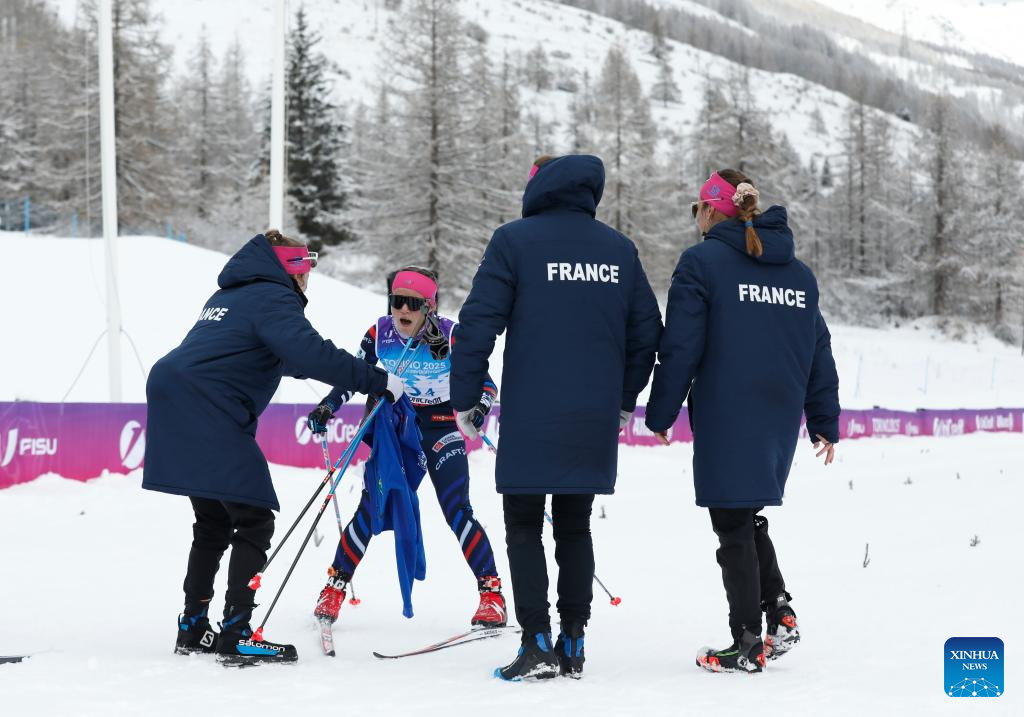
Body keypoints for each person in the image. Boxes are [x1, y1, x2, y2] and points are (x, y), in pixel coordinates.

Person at [143, 230, 405, 665]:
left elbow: (273, 355)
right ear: (293, 271)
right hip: (208, 403)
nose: (307, 280)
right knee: (254, 516)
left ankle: (193, 627)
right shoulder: (272, 296)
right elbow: (311, 352)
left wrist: (341, 373)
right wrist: (378, 380)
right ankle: (237, 632)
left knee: (213, 519)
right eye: (306, 271)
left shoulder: (232, 294)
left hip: (175, 391)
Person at [451, 155, 663, 681]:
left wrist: (465, 397)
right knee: (575, 524)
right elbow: (647, 334)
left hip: (532, 412)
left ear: (538, 188)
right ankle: (574, 640)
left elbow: (477, 324)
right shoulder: (619, 249)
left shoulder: (514, 241)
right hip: (592, 415)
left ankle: (537, 643)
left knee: (524, 524)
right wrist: (623, 399)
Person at [644, 170, 840, 674]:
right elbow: (818, 347)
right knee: (745, 514)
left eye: (698, 209)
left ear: (711, 210)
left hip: (728, 410)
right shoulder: (798, 274)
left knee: (731, 523)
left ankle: (747, 642)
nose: (697, 219)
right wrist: (823, 419)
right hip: (778, 413)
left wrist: (661, 411)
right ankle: (779, 612)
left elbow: (681, 345)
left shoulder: (702, 262)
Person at [307, 266, 507, 629]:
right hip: (399, 427)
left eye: (413, 303)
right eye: (397, 300)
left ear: (429, 307)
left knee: (456, 508)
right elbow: (353, 375)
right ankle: (334, 587)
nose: (403, 309)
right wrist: (328, 406)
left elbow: (487, 385)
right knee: (373, 504)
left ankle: (492, 595)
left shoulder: (451, 336)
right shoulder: (378, 333)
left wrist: (478, 410)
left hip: (441, 425)